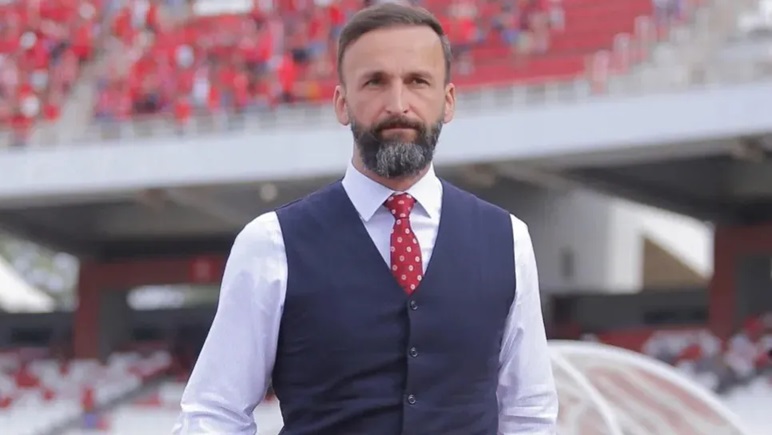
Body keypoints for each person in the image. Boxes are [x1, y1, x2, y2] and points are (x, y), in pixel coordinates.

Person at [173, 3, 558, 434]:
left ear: (448, 101)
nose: (398, 104)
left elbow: (529, 414)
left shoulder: (508, 240)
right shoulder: (270, 244)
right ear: (342, 103)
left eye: (418, 81)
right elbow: (214, 414)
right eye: (375, 82)